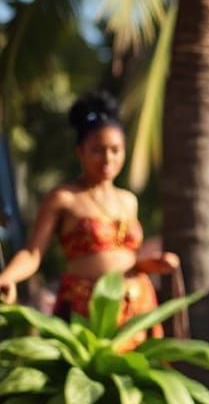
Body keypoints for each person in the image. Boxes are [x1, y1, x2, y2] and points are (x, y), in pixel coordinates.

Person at [0, 93, 179, 345]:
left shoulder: (129, 200)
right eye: (98, 150)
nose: (108, 159)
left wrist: (152, 264)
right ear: (80, 152)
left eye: (115, 150)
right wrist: (8, 277)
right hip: (85, 309)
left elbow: (123, 259)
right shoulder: (64, 198)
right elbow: (32, 253)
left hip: (135, 308)